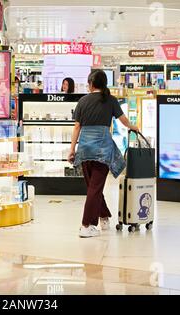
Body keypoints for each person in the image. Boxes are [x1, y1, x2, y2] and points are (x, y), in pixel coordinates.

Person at [68, 69, 139, 238]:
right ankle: (86, 225)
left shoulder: (83, 101)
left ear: (91, 84)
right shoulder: (110, 100)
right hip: (103, 150)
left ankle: (103, 217)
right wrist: (133, 127)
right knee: (95, 187)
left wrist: (72, 150)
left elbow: (77, 127)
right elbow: (123, 120)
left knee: (93, 187)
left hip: (84, 149)